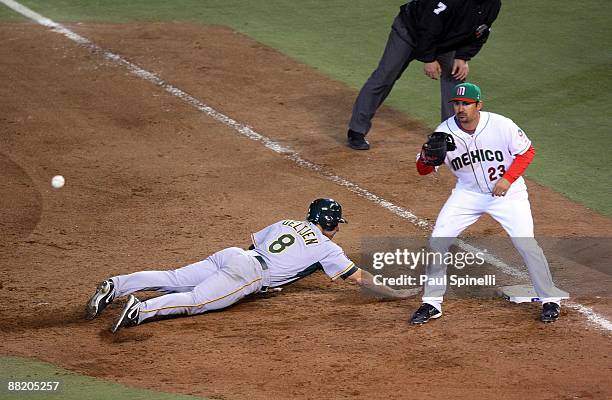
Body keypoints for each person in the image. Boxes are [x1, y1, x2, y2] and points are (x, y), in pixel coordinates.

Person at [85, 198, 416, 332]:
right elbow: (360, 279)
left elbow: (255, 245)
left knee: (174, 277)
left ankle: (116, 284)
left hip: (234, 256)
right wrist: (396, 294)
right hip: (249, 273)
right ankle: (140, 311)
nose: (338, 228)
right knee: (197, 301)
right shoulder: (329, 248)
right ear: (330, 223)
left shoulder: (287, 222)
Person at [410, 82, 569, 324]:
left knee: (527, 245)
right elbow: (423, 169)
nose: (461, 109)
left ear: (478, 105)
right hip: (468, 195)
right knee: (437, 242)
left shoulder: (501, 125)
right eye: (457, 104)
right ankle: (432, 303)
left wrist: (507, 179)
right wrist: (425, 156)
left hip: (509, 194)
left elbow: (527, 152)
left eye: (466, 104)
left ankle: (550, 299)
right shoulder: (444, 132)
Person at [347, 0, 502, 150]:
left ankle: (449, 134)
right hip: (410, 31)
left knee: (456, 77)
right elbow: (428, 25)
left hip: (444, 43)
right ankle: (356, 130)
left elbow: (480, 33)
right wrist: (429, 58)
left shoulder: (493, 4)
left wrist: (463, 56)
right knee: (385, 76)